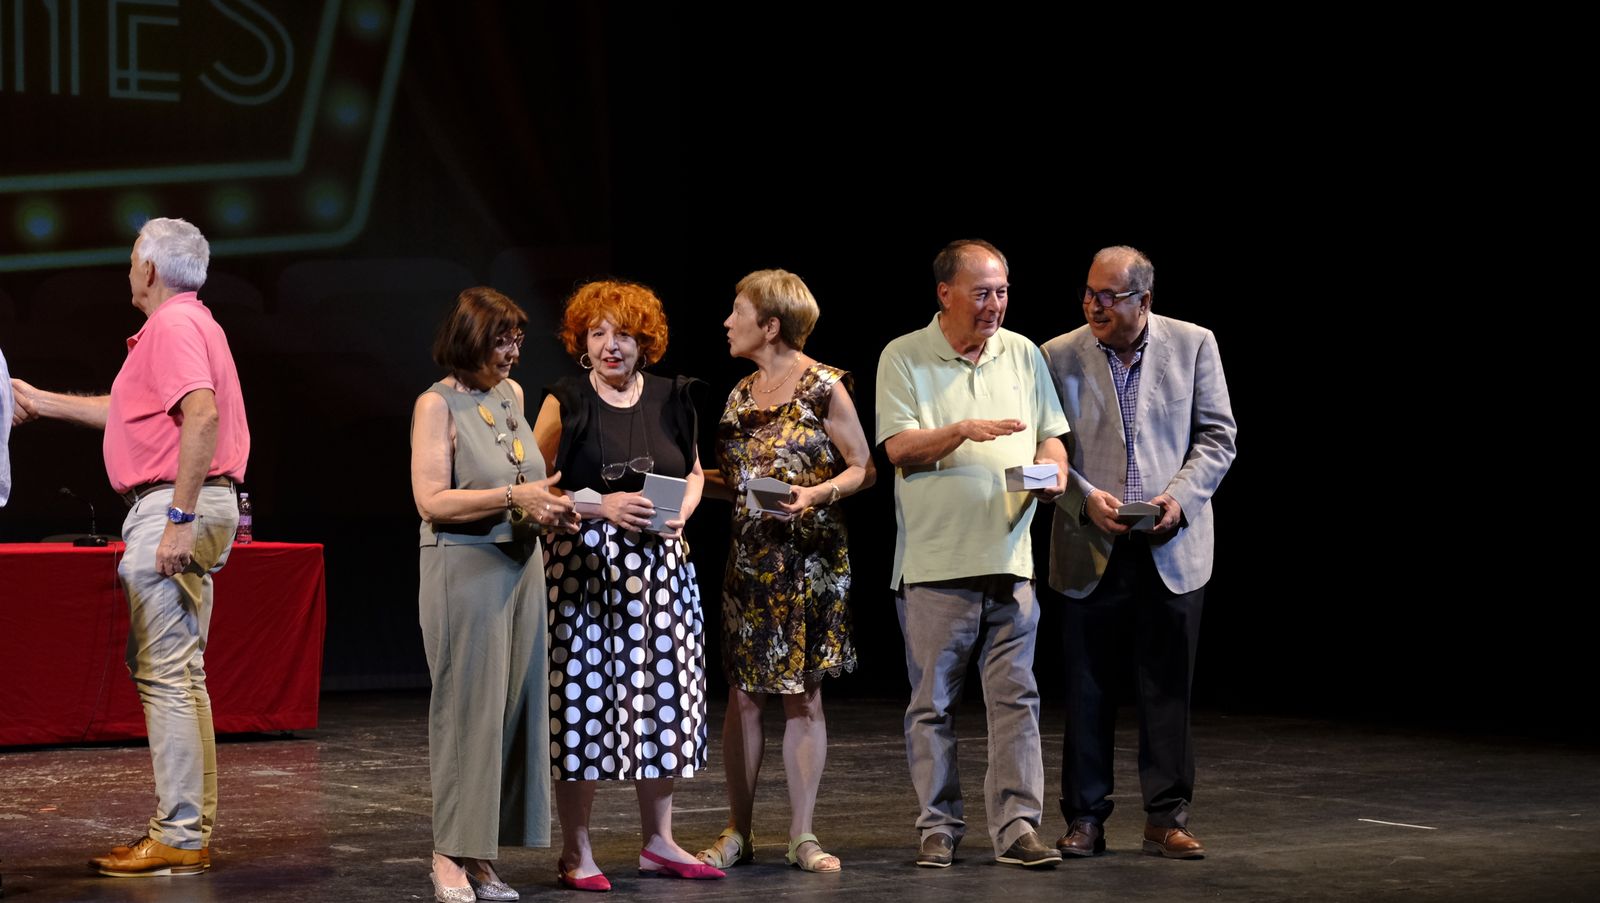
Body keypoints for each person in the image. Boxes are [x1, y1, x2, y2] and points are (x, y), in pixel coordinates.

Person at [9, 217, 249, 877]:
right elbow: (130, 408)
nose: (126, 271)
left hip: (174, 502)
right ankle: (186, 829)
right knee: (180, 673)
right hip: (193, 500)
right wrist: (42, 402)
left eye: (131, 259)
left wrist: (177, 514)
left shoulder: (172, 326)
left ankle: (179, 832)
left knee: (168, 674)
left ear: (149, 269)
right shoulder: (190, 323)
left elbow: (200, 414)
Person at [875, 239, 1069, 869]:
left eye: (1003, 291)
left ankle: (1017, 826)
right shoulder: (904, 356)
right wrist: (961, 429)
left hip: (1011, 560)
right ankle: (938, 826)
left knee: (1017, 699)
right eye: (982, 292)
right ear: (946, 294)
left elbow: (1051, 438)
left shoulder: (1023, 353)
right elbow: (899, 450)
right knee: (932, 704)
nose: (995, 305)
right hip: (935, 566)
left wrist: (1053, 471)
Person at [1042, 245, 1237, 860]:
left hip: (1170, 541)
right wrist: (1081, 498)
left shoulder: (1194, 343)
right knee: (1087, 686)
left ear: (1144, 301)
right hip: (1090, 540)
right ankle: (1085, 819)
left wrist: (1178, 499)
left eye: (1110, 296)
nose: (1095, 306)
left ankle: (1166, 817)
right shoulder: (1056, 354)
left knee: (1167, 687)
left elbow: (1217, 436)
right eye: (1089, 294)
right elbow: (1048, 451)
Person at [531, 279, 721, 890]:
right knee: (583, 707)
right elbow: (537, 490)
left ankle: (658, 842)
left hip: (662, 572)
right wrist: (600, 507)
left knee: (662, 703)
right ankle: (576, 851)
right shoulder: (566, 400)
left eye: (625, 335)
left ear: (646, 343)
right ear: (582, 343)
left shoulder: (676, 397)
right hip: (584, 572)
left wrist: (685, 510)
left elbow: (693, 472)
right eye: (598, 333)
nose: (612, 346)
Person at [695, 269, 875, 873]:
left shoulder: (825, 386)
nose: (727, 321)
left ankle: (803, 836)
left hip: (809, 563)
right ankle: (738, 831)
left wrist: (815, 495)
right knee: (743, 696)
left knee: (803, 697)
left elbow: (862, 468)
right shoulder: (739, 393)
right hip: (751, 562)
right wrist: (689, 486)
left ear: (770, 325)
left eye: (737, 311)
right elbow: (738, 483)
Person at [410, 287, 576, 902]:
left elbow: (526, 482)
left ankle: (479, 854)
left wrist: (551, 511)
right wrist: (516, 500)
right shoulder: (437, 404)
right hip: (466, 569)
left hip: (520, 563)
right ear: (470, 339)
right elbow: (431, 500)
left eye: (517, 341)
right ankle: (446, 855)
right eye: (501, 340)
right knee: (465, 714)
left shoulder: (513, 395)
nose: (512, 352)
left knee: (510, 712)